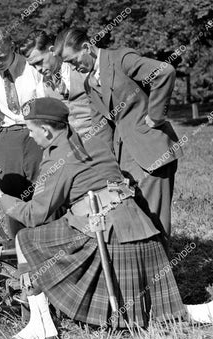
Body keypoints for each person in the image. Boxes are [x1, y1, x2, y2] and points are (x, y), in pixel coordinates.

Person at [0, 98, 213, 339]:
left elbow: (34, 215)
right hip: (141, 230)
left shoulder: (59, 158)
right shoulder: (94, 142)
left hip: (106, 235)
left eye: (31, 130)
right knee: (155, 312)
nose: (30, 136)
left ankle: (40, 323)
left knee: (25, 238)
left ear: (45, 130)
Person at [59, 27, 182, 240]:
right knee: (140, 219)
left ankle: (162, 270)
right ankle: (145, 269)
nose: (71, 67)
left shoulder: (121, 59)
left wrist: (156, 116)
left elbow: (165, 72)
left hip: (152, 152)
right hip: (127, 161)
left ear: (87, 47)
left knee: (155, 221)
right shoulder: (90, 82)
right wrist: (103, 168)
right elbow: (101, 128)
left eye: (72, 60)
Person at [0, 26, 45, 238]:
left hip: (35, 132)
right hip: (6, 136)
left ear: (12, 47)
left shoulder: (33, 68)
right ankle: (20, 247)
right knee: (11, 194)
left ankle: (47, 242)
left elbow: (45, 104)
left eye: (2, 57)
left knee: (42, 190)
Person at [23, 29, 94, 135]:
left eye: (39, 62)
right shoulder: (43, 84)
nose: (38, 69)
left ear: (52, 50)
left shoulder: (81, 66)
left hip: (99, 139)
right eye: (33, 65)